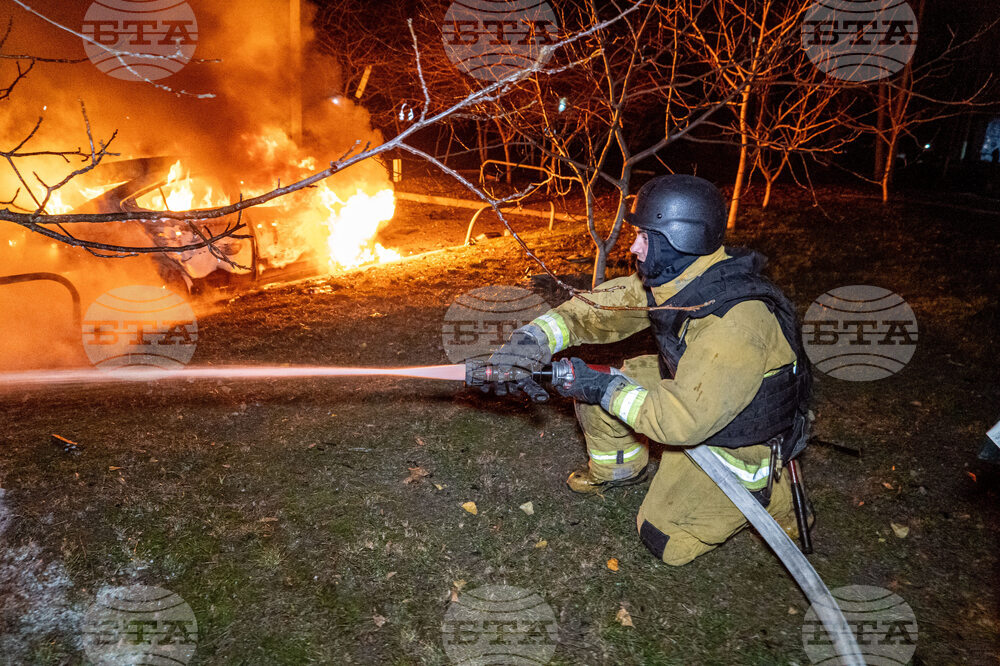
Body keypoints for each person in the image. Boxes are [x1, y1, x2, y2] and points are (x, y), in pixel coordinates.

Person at [486, 174, 812, 566]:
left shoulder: (734, 326)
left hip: (736, 437)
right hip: (698, 393)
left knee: (663, 540)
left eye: (644, 236)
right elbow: (604, 308)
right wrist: (534, 339)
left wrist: (602, 388)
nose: (634, 247)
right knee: (600, 381)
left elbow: (681, 422)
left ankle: (769, 493)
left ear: (680, 240)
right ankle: (621, 472)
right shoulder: (682, 278)